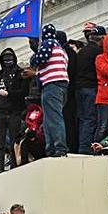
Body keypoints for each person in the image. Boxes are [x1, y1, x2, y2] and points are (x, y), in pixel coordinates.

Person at [32, 24, 71, 158]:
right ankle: (52, 147)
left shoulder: (48, 44)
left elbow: (41, 58)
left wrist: (34, 59)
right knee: (50, 118)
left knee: (53, 118)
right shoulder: (62, 50)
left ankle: (58, 147)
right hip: (61, 85)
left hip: (51, 85)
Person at [0, 47, 30, 169]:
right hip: (0, 111)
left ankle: (14, 165)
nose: (8, 61)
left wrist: (9, 94)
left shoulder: (20, 73)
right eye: (5, 59)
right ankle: (0, 168)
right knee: (0, 143)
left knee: (14, 141)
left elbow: (24, 91)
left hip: (14, 112)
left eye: (10, 58)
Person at [76, 24, 105, 154]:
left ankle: (82, 145)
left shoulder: (81, 52)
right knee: (90, 118)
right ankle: (86, 147)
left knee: (83, 119)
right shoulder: (98, 53)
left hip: (79, 89)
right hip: (90, 88)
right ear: (101, 39)